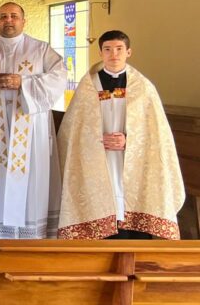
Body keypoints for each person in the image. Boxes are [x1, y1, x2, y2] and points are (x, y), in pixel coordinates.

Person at [57, 30, 184, 240]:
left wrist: (129, 140)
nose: (113, 54)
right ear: (100, 53)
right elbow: (74, 132)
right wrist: (97, 140)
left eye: (119, 49)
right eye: (107, 49)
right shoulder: (87, 87)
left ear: (129, 52)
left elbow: (155, 133)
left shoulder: (144, 88)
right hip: (98, 159)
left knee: (129, 208)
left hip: (131, 159)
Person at [0, 2, 66, 239]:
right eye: (3, 16)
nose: (8, 20)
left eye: (14, 16)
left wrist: (24, 83)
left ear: (24, 20)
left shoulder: (41, 50)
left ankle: (31, 239)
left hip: (30, 130)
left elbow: (59, 77)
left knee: (31, 177)